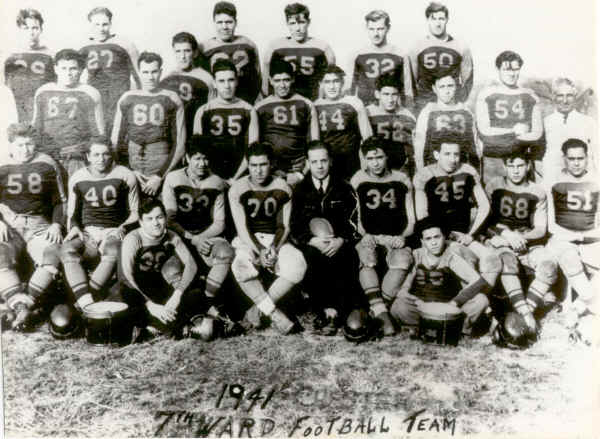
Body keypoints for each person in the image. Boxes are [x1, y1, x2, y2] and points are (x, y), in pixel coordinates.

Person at [228, 142, 307, 334]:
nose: (258, 170)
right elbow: (242, 227)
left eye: (263, 164)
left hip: (276, 240)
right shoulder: (237, 188)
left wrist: (272, 248)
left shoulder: (283, 187)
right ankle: (274, 314)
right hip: (249, 240)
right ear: (248, 165)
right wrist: (260, 251)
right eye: (254, 165)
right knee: (239, 266)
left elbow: (284, 225)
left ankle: (256, 311)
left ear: (271, 164)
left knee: (298, 263)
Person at [413, 138, 500, 306]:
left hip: (463, 234)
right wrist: (445, 235)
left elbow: (484, 207)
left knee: (492, 260)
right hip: (438, 237)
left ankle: (477, 302)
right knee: (463, 259)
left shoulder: (468, 171)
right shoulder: (425, 174)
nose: (453, 159)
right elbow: (422, 215)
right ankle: (466, 307)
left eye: (456, 154)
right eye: (447, 154)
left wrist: (470, 234)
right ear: (436, 154)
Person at [291, 141, 365, 335]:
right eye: (314, 162)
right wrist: (310, 239)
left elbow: (354, 221)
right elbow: (294, 224)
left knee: (346, 256)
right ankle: (322, 311)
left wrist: (341, 239)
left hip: (339, 241)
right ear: (308, 163)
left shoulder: (344, 187)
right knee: (311, 257)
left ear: (331, 161)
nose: (320, 166)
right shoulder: (299, 190)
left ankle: (340, 312)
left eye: (323, 160)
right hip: (313, 243)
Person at [162, 134, 235, 325]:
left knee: (226, 252)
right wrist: (193, 239)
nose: (202, 163)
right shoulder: (173, 178)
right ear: (187, 158)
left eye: (205, 158)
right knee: (170, 268)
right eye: (197, 158)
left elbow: (220, 222)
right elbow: (169, 220)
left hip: (207, 236)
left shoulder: (216, 182)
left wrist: (202, 238)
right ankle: (194, 310)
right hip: (179, 237)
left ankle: (207, 302)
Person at [484, 145, 557, 334]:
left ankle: (523, 314)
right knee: (507, 262)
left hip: (527, 242)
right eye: (511, 166)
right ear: (504, 167)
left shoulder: (538, 191)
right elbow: (485, 222)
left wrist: (520, 237)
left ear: (528, 166)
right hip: (499, 240)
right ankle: (527, 317)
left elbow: (541, 229)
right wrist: (507, 236)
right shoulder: (494, 186)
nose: (515, 171)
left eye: (520, 165)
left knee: (549, 266)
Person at [0, 123, 66, 330]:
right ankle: (22, 306)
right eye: (20, 145)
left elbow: (60, 200)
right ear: (10, 146)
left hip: (39, 224)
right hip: (10, 223)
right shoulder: (1, 163)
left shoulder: (46, 163)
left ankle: (22, 304)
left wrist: (56, 224)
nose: (25, 149)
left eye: (29, 144)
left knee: (53, 253)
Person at [61, 139, 139, 311]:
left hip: (113, 230)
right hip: (88, 231)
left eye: (105, 154)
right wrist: (74, 226)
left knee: (114, 249)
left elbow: (136, 212)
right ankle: (87, 303)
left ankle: (86, 302)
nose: (101, 159)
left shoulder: (125, 174)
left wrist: (123, 227)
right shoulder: (78, 177)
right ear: (88, 156)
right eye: (96, 154)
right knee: (66, 248)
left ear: (111, 155)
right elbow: (72, 213)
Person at [350, 136, 415, 336]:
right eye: (370, 158)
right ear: (365, 160)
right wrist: (363, 235)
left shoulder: (401, 179)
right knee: (367, 258)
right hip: (371, 236)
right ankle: (383, 314)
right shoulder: (358, 179)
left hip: (395, 237)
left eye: (379, 157)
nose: (375, 163)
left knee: (403, 259)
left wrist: (404, 237)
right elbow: (355, 216)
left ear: (387, 157)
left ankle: (378, 310)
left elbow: (412, 219)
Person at [391, 217, 491, 332]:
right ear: (422, 241)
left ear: (444, 237)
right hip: (422, 306)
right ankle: (422, 329)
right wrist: (419, 303)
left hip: (448, 307)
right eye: (428, 239)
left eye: (437, 237)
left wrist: (454, 302)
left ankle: (458, 330)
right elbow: (403, 290)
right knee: (398, 306)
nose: (433, 242)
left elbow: (478, 281)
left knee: (481, 300)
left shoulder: (451, 256)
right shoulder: (416, 255)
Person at [118, 199, 200, 337]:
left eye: (159, 217)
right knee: (128, 301)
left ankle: (162, 327)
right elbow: (125, 277)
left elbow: (192, 265)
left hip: (158, 287)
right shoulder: (133, 239)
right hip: (136, 290)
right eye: (149, 219)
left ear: (165, 218)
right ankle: (160, 327)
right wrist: (150, 306)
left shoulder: (171, 235)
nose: (155, 223)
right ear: (141, 222)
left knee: (196, 294)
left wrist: (177, 295)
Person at [112, 52, 185, 198]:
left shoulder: (171, 98)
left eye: (154, 72)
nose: (150, 77)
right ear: (139, 73)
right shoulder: (127, 98)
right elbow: (116, 140)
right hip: (133, 164)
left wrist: (159, 176)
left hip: (160, 163)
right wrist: (128, 170)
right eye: (145, 72)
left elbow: (180, 143)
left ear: (160, 72)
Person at [546, 139, 600, 323]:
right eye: (572, 159)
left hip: (589, 237)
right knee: (570, 258)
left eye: (580, 158)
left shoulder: (596, 181)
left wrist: (584, 236)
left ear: (587, 158)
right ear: (564, 159)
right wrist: (571, 236)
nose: (576, 163)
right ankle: (594, 305)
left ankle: (578, 307)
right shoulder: (553, 182)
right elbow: (551, 225)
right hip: (562, 238)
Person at [31, 49, 104, 176]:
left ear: (81, 70)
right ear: (56, 69)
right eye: (64, 68)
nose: (68, 73)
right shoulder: (43, 91)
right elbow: (36, 127)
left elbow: (99, 133)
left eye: (73, 68)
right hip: (48, 154)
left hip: (76, 157)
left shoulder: (90, 92)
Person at [476, 51, 543, 184]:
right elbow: (484, 131)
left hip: (521, 159)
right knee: (494, 197)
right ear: (498, 69)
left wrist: (503, 136)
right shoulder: (486, 94)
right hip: (493, 158)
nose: (512, 74)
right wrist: (514, 131)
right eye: (507, 69)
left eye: (516, 69)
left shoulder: (530, 95)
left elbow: (537, 134)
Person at [193, 59, 258, 183]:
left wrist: (236, 178)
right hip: (210, 175)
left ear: (237, 81)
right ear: (214, 84)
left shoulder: (248, 109)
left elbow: (253, 150)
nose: (227, 86)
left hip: (241, 175)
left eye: (231, 80)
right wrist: (214, 177)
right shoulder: (203, 111)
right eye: (221, 81)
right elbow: (197, 150)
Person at [255, 60, 318, 186]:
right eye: (277, 80)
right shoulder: (260, 107)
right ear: (271, 81)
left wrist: (301, 174)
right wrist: (271, 171)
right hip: (271, 170)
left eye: (286, 80)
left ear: (293, 79)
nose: (282, 85)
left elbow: (315, 144)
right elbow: (255, 145)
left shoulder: (306, 104)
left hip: (299, 168)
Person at [80, 7, 140, 133]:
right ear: (90, 25)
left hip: (119, 97)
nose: (101, 29)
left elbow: (139, 75)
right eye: (96, 24)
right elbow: (73, 74)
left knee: (119, 134)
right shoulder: (84, 46)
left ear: (110, 24)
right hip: (96, 98)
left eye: (104, 24)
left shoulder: (125, 44)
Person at [408, 2, 473, 113]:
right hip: (424, 103)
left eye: (441, 18)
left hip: (452, 103)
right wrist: (414, 104)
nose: (438, 23)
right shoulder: (417, 47)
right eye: (434, 19)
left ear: (447, 19)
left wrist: (460, 102)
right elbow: (411, 81)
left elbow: (467, 80)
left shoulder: (461, 46)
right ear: (428, 20)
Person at [263, 3, 335, 101]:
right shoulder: (275, 47)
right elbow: (266, 83)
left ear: (308, 22)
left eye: (301, 22)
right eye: (293, 23)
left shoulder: (322, 48)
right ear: (287, 23)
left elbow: (330, 80)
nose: (297, 28)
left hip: (313, 102)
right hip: (285, 103)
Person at [314, 65, 372, 180]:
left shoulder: (354, 102)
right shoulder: (315, 105)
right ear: (321, 84)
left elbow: (367, 136)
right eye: (327, 82)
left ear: (342, 82)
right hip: (325, 161)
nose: (332, 86)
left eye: (336, 81)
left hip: (350, 160)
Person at [199, 1, 262, 105]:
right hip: (216, 104)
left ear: (236, 22)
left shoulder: (248, 44)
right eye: (220, 22)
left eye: (229, 22)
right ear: (214, 22)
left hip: (245, 103)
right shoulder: (204, 48)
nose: (224, 27)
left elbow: (258, 77)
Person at [349, 9, 413, 108]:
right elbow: (349, 90)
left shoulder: (400, 55)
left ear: (388, 28)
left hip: (392, 111)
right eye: (371, 29)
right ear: (366, 28)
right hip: (365, 111)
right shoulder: (357, 55)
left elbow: (408, 91)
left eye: (380, 29)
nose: (376, 34)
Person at [414, 74, 478, 171]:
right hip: (435, 169)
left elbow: (475, 145)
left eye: (450, 86)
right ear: (434, 89)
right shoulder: (428, 111)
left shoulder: (466, 111)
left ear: (456, 87)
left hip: (462, 168)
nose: (446, 91)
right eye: (442, 87)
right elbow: (419, 145)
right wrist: (422, 171)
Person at [4, 8, 56, 123]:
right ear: (19, 30)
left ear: (41, 30)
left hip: (41, 113)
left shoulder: (50, 55)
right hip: (15, 111)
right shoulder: (8, 56)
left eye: (35, 28)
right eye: (26, 28)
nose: (31, 33)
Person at [160, 32, 215, 136]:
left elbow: (212, 109)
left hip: (197, 131)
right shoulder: (167, 78)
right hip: (174, 133)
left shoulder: (206, 79)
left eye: (187, 51)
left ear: (195, 53)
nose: (183, 56)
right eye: (178, 51)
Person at [543, 78, 597, 179]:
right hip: (553, 177)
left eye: (569, 96)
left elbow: (596, 153)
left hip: (583, 179)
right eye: (560, 96)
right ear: (554, 97)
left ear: (575, 97)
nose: (565, 101)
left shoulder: (588, 122)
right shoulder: (546, 122)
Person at [366, 74, 416, 177]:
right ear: (377, 94)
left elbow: (414, 145)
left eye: (394, 94)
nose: (391, 99)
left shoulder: (407, 115)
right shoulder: (368, 113)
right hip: (374, 169)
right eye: (386, 94)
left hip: (400, 169)